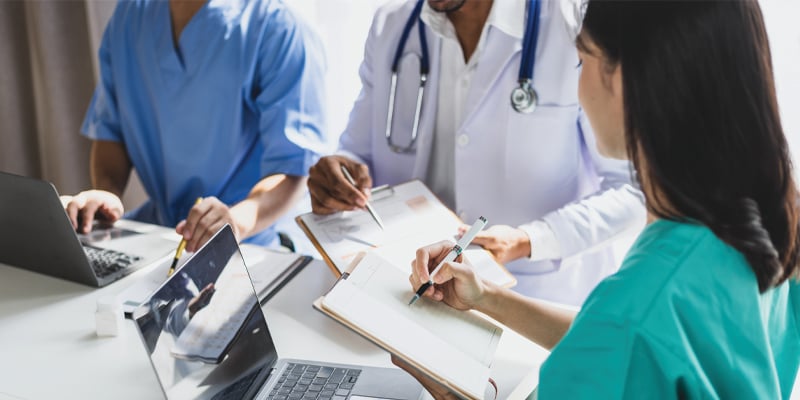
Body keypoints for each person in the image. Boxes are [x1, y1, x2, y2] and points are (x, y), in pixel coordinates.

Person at [398, 0, 800, 398]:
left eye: (583, 59)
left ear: (623, 80)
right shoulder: (766, 226)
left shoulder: (636, 314)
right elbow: (624, 344)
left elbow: (624, 339)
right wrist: (489, 298)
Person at [307, 0, 645, 305]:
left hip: (533, 301)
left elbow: (634, 189)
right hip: (409, 293)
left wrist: (530, 239)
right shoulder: (391, 26)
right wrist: (340, 176)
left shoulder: (575, 25)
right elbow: (359, 153)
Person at [62, 0, 330, 252]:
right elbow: (112, 130)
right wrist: (107, 194)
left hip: (251, 241)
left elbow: (291, 169)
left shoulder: (276, 28)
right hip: (160, 231)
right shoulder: (130, 16)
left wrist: (235, 222)